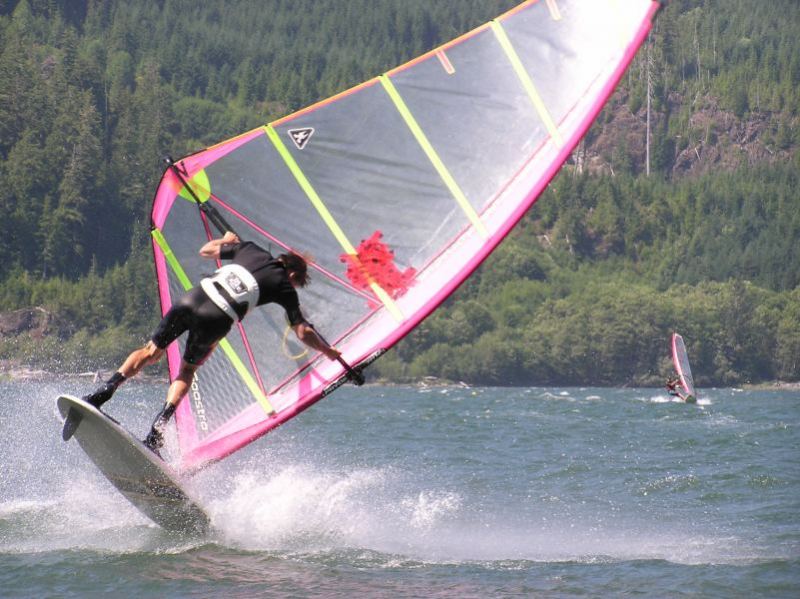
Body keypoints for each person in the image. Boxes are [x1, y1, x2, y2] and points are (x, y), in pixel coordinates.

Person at [63, 232, 341, 453]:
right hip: (217, 317)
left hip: (193, 298)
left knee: (150, 351)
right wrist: (328, 351)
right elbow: (303, 332)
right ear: (293, 275)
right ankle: (158, 429)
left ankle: (105, 390)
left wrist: (228, 241)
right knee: (186, 371)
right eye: (297, 282)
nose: (294, 286)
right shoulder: (285, 287)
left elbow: (206, 250)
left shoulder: (251, 248)